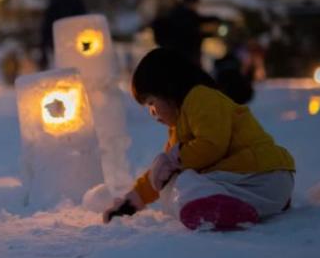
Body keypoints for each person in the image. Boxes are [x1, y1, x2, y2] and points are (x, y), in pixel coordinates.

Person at [103, 48, 295, 230]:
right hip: (261, 185)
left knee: (184, 182)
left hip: (262, 174)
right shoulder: (179, 127)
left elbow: (212, 145)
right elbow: (161, 174)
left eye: (152, 104)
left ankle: (216, 210)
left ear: (169, 88)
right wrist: (133, 201)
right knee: (173, 183)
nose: (153, 114)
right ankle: (252, 206)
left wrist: (174, 160)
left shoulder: (201, 98)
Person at [150, 0, 217, 67]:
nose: (195, 6)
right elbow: (189, 35)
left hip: (179, 57)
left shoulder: (181, 14)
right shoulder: (184, 17)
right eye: (195, 3)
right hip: (184, 57)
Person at [39, 0, 87, 69]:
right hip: (63, 39)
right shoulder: (60, 1)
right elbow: (48, 22)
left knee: (66, 62)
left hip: (68, 39)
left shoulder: (76, 1)